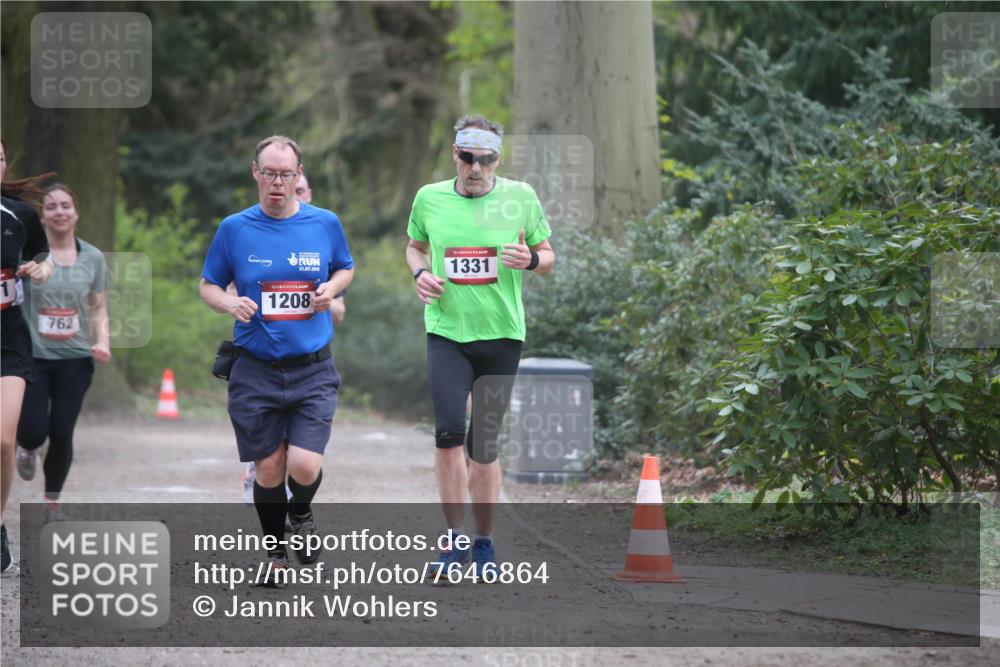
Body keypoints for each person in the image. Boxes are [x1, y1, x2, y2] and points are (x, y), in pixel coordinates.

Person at [405, 115, 555, 579]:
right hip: (447, 333)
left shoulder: (521, 197)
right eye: (468, 158)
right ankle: (454, 543)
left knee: (483, 446)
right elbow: (414, 246)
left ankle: (484, 542)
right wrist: (420, 273)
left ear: (497, 159)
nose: (476, 168)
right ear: (455, 154)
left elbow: (549, 257)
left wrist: (531, 258)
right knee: (449, 433)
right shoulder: (429, 198)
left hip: (502, 336)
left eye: (485, 160)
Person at [200, 136, 353, 585]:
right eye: (269, 173)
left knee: (303, 466)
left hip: (312, 367)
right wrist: (229, 303)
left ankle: (300, 512)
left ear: (298, 175)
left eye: (286, 174)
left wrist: (331, 290)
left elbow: (345, 266)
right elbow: (208, 284)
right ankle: (275, 557)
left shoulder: (324, 223)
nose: (277, 182)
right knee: (268, 469)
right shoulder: (234, 228)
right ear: (255, 172)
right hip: (255, 368)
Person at [239, 171, 346, 504]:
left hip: (309, 362)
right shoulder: (249, 231)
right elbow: (228, 286)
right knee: (272, 460)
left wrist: (325, 300)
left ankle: (296, 502)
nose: (291, 192)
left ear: (308, 194)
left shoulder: (321, 232)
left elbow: (339, 308)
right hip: (262, 362)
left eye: (299, 189)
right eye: (286, 184)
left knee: (303, 463)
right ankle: (264, 476)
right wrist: (238, 301)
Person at [15, 184, 111, 521]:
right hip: (33, 357)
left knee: (62, 431)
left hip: (75, 359)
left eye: (65, 206)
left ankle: (52, 501)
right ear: (42, 217)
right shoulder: (27, 255)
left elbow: (98, 307)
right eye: (51, 207)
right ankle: (27, 448)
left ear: (76, 212)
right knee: (32, 431)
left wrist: (103, 341)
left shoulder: (93, 257)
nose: (59, 212)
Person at [1, 140, 54, 573]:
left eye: (0, 158)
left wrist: (40, 268)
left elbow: (44, 256)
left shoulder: (19, 214)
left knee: (3, 442)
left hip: (9, 339)